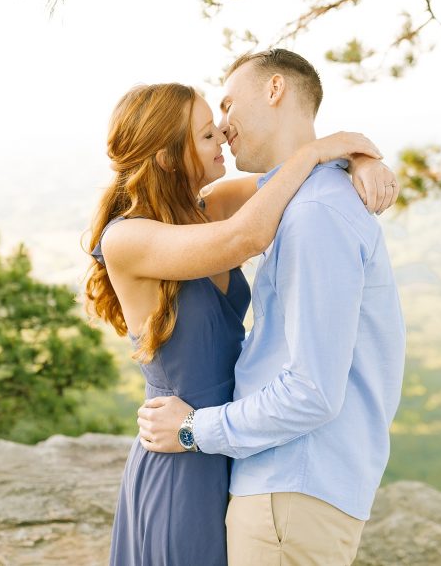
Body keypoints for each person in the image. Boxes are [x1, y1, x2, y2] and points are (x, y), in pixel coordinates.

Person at [85, 77, 398, 566]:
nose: (223, 138)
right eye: (207, 134)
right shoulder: (128, 238)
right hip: (179, 453)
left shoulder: (204, 209)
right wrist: (322, 148)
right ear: (168, 155)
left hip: (228, 442)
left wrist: (357, 158)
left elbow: (283, 180)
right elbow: (246, 238)